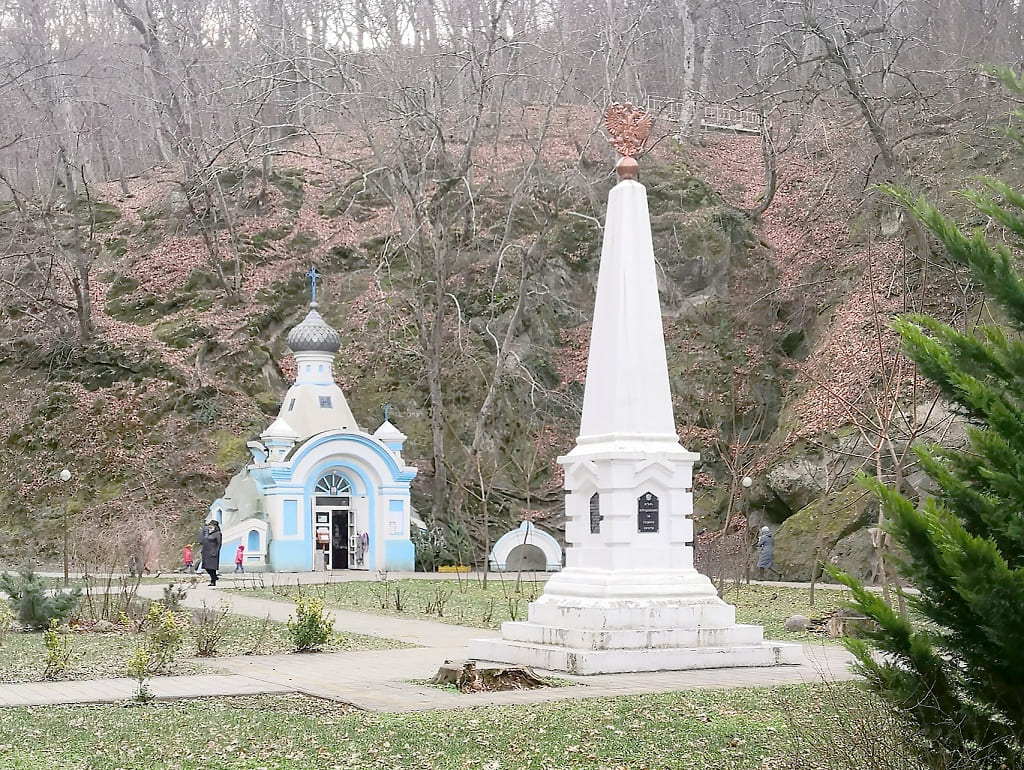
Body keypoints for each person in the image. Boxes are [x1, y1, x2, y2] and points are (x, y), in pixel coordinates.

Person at [200, 520, 222, 586]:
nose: (210, 526)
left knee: (212, 568)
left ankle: (213, 581)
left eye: (211, 525)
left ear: (215, 526)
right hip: (206, 552)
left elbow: (219, 544)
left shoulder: (218, 533)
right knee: (206, 567)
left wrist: (216, 552)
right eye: (209, 525)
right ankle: (214, 577)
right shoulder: (207, 533)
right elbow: (202, 541)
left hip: (212, 552)